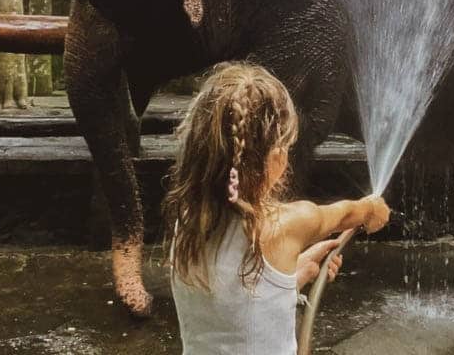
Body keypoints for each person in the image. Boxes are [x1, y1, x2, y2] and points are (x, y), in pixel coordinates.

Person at [163, 63, 390, 355]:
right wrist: (373, 209)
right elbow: (349, 213)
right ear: (276, 160)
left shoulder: (188, 222)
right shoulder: (287, 224)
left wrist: (291, 278)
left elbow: (231, 308)